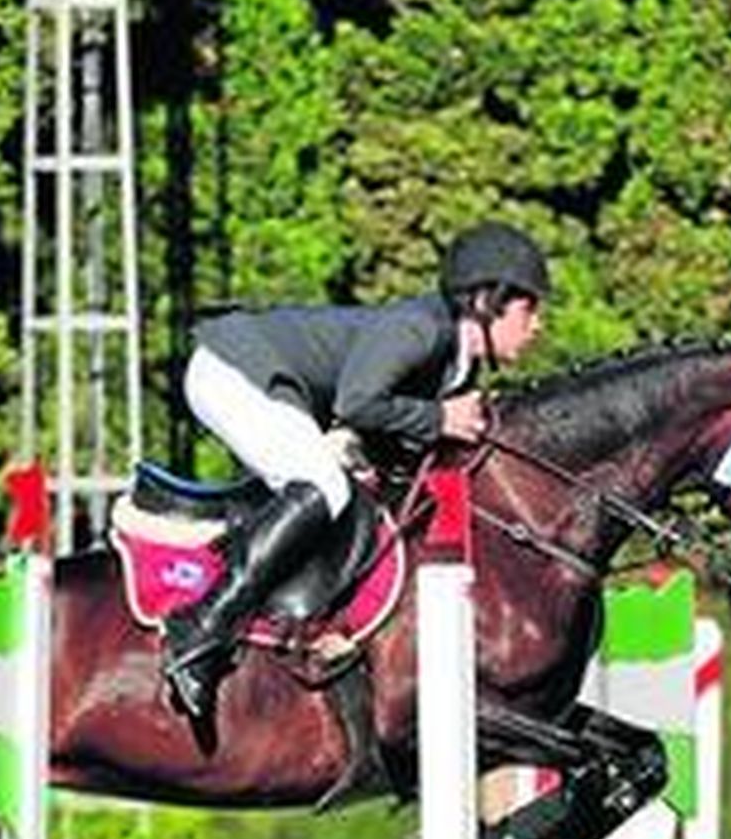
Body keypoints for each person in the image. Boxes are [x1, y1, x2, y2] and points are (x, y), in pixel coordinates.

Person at [161, 220, 550, 732]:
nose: (538, 324)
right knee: (323, 483)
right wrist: (439, 419)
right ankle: (200, 629)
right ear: (487, 300)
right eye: (529, 308)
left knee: (346, 490)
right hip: (233, 371)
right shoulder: (420, 329)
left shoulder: (456, 365)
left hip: (274, 385)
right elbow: (358, 402)